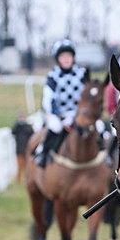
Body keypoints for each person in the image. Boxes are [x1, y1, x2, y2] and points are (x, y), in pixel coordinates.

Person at [36, 39, 87, 168]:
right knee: (55, 127)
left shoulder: (82, 74)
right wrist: (62, 118)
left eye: (68, 56)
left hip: (78, 113)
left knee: (98, 127)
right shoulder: (52, 76)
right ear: (57, 59)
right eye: (63, 56)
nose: (66, 59)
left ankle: (106, 156)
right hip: (59, 114)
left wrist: (78, 115)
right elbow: (49, 100)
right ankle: (44, 153)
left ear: (73, 57)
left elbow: (86, 97)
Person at [11, 112, 34, 183]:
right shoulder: (17, 127)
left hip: (27, 150)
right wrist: (17, 124)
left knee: (28, 166)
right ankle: (18, 180)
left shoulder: (28, 127)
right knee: (19, 166)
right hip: (19, 150)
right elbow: (13, 131)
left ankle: (28, 179)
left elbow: (32, 133)